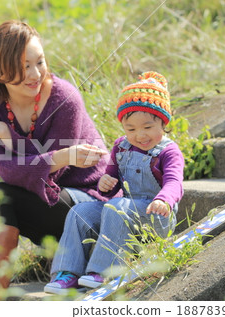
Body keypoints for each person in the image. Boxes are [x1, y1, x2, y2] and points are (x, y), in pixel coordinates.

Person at [0, 20, 109, 297]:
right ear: (0, 70)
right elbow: (11, 172)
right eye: (24, 66)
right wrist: (56, 155)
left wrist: (4, 135)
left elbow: (49, 179)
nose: (35, 74)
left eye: (40, 62)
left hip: (86, 207)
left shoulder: (64, 98)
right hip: (40, 205)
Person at [44, 71, 184, 294]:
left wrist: (164, 200)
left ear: (163, 123)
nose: (139, 135)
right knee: (80, 211)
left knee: (117, 207)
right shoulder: (121, 146)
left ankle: (104, 270)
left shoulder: (168, 152)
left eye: (147, 127)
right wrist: (106, 183)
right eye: (131, 129)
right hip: (123, 210)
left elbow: (174, 183)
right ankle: (68, 272)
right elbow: (111, 181)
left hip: (156, 216)